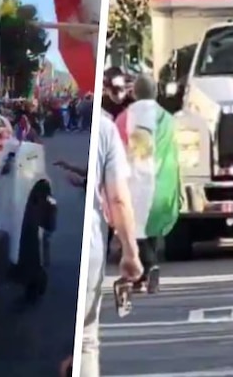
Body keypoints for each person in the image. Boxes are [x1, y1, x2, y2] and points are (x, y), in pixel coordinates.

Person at [78, 111, 144, 377]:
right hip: (92, 245)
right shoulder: (106, 129)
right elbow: (118, 198)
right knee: (85, 339)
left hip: (93, 242)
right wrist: (131, 253)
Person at [114, 74, 180, 293]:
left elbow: (118, 152)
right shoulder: (168, 120)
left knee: (135, 229)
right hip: (161, 180)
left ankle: (149, 267)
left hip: (132, 182)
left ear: (134, 93)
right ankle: (145, 273)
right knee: (152, 228)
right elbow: (173, 154)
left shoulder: (123, 118)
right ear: (156, 92)